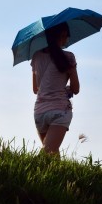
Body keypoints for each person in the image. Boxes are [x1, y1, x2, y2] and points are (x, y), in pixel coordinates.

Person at [31, 22, 80, 156]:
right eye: (67, 35)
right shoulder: (68, 57)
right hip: (59, 110)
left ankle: (61, 177)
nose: (67, 39)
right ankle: (26, 171)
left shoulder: (36, 56)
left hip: (40, 112)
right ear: (63, 35)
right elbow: (76, 89)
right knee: (48, 153)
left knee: (52, 155)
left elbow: (36, 89)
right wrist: (67, 89)